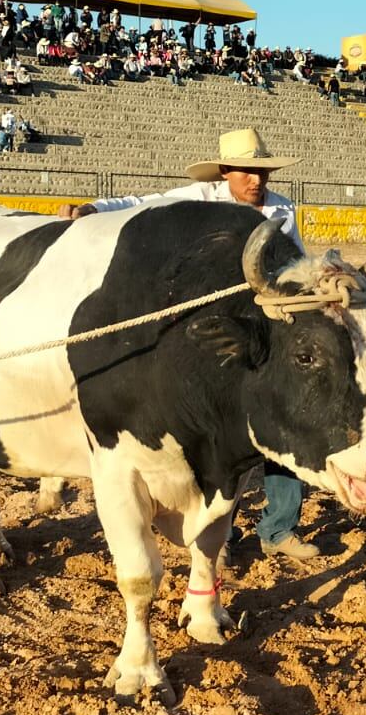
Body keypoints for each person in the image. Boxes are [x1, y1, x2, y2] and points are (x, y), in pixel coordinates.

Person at [59, 128, 317, 560]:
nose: (257, 181)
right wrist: (94, 207)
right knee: (216, 430)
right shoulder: (200, 197)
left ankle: (278, 528)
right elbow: (143, 204)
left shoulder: (282, 209)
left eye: (262, 172)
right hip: (209, 332)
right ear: (225, 173)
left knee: (283, 415)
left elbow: (296, 264)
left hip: (262, 327)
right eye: (247, 172)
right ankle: (220, 529)